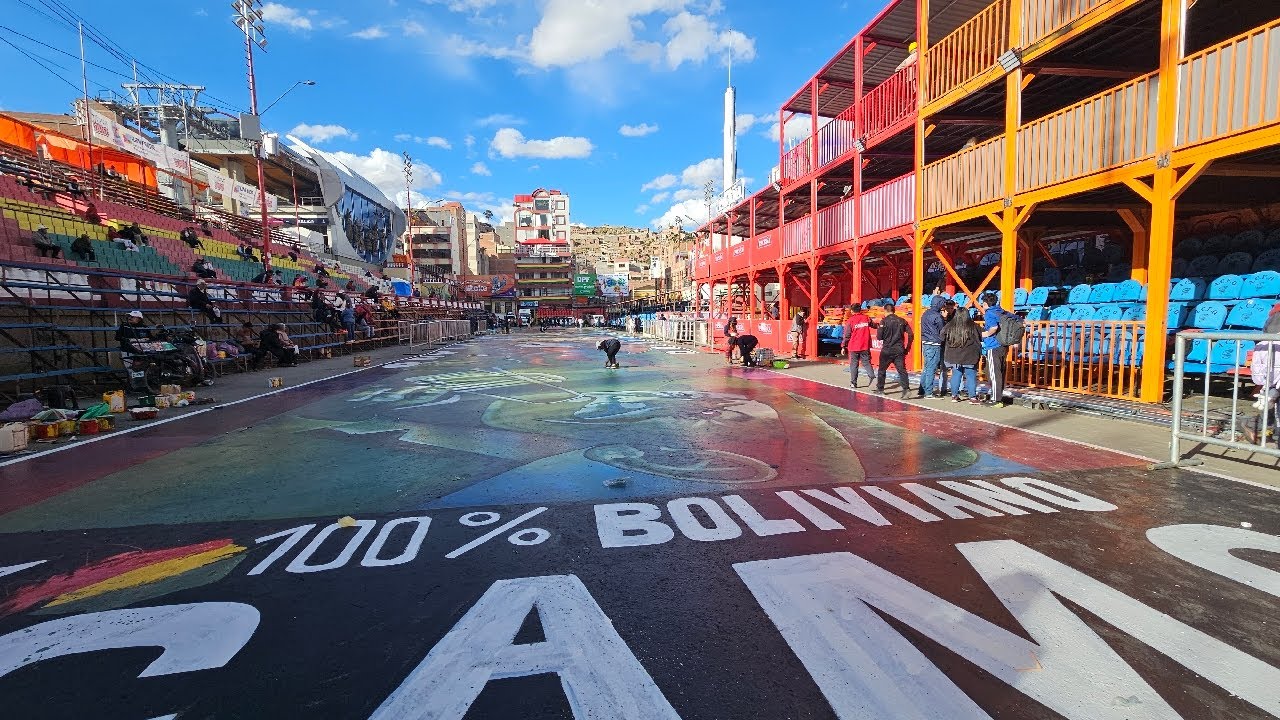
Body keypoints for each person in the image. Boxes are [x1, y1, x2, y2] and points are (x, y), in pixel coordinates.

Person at [944, 303, 983, 404]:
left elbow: (942, 336)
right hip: (970, 355)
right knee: (971, 375)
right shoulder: (973, 326)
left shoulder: (950, 325)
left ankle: (954, 396)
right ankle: (972, 397)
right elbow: (982, 335)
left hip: (954, 355)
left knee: (956, 374)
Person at [875, 303, 913, 398]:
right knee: (902, 370)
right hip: (899, 349)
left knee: (882, 370)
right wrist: (907, 347)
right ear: (894, 310)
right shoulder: (902, 321)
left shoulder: (883, 321)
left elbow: (879, 337)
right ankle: (906, 388)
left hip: (887, 349)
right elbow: (911, 334)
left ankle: (880, 389)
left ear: (885, 311)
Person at [979, 292, 1009, 407]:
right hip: (1003, 344)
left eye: (983, 303)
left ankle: (996, 399)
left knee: (993, 372)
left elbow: (994, 327)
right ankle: (998, 396)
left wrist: (985, 334)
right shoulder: (1001, 311)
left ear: (986, 303)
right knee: (1000, 371)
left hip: (993, 345)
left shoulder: (989, 313)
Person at [918, 295, 949, 398]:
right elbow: (942, 329)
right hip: (934, 343)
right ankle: (928, 392)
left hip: (926, 342)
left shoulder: (925, 313)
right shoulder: (937, 316)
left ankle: (922, 389)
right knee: (931, 368)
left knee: (926, 367)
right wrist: (944, 319)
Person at [840, 304, 875, 388]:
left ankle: (853, 383)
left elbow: (847, 335)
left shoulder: (850, 321)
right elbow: (874, 325)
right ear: (860, 310)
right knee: (866, 362)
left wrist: (843, 346)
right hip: (865, 345)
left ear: (852, 311)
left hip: (854, 346)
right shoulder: (866, 318)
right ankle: (871, 375)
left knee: (854, 365)